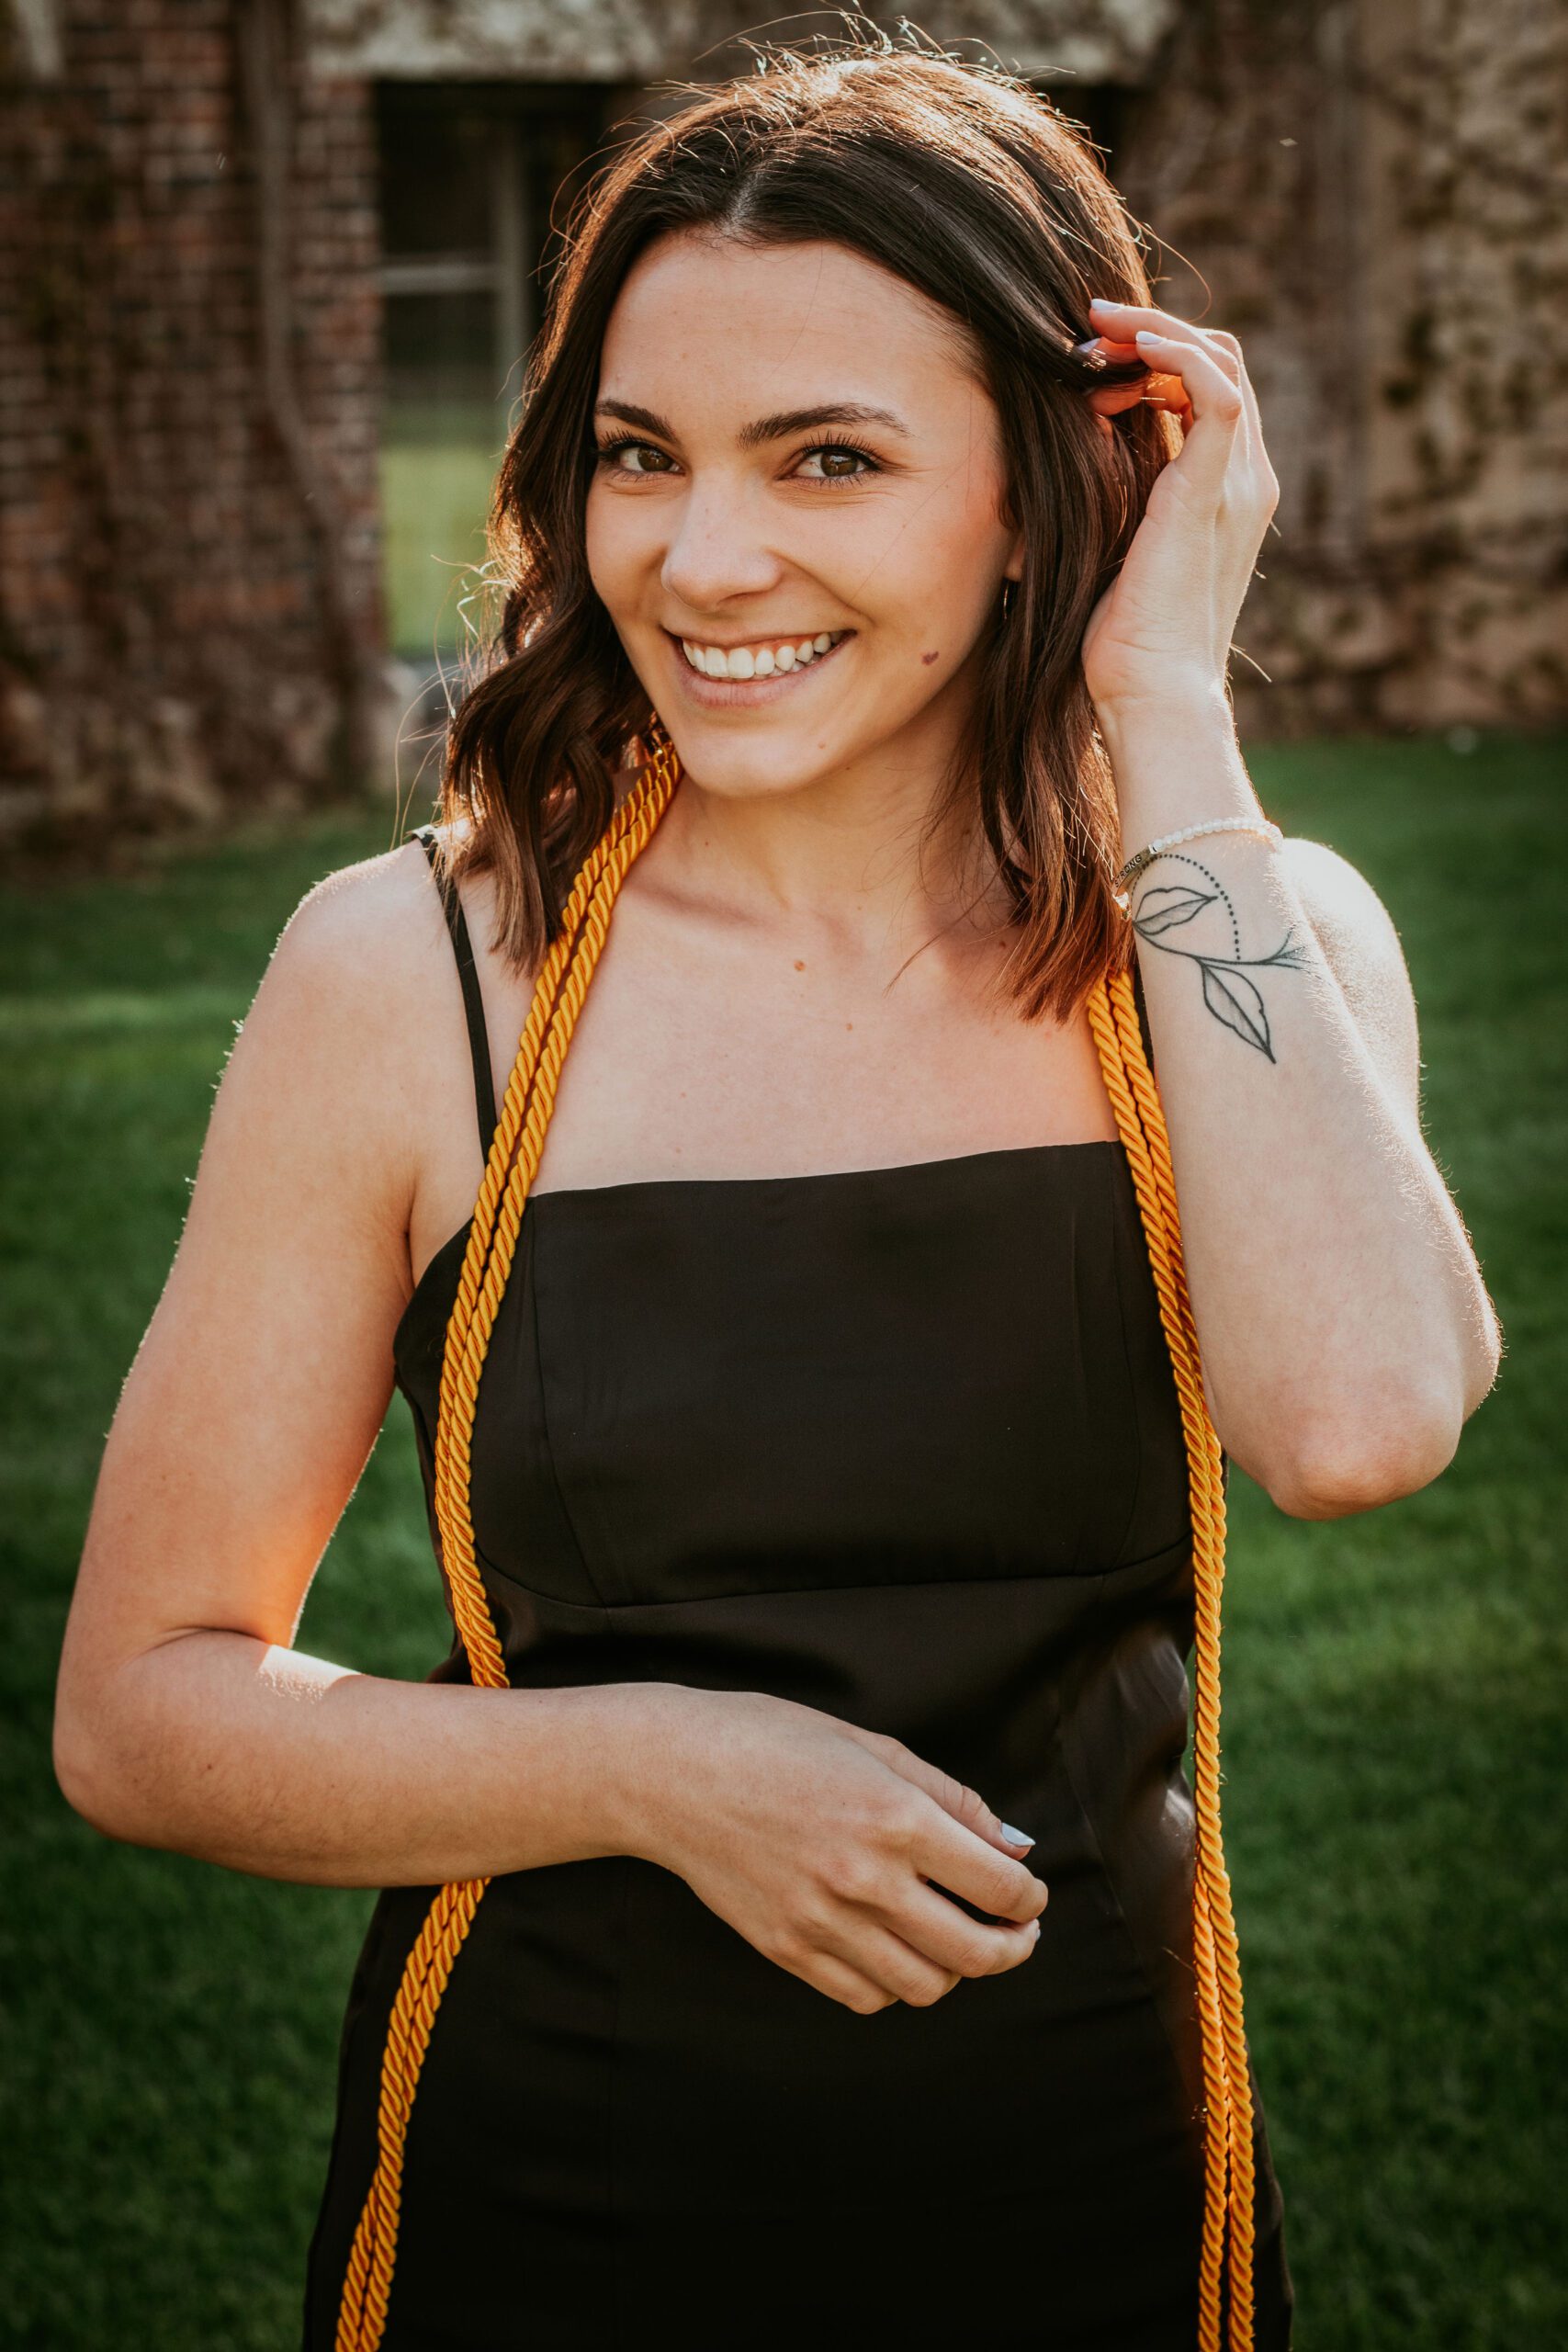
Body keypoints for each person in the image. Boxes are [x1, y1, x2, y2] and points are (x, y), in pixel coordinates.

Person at [52, 38, 1500, 2352]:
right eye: (641, 456)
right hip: (548, 2196)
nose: (701, 559)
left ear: (1042, 492)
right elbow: (140, 1706)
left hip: (1101, 2187)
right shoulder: (420, 969)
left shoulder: (1243, 936)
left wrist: (1171, 715)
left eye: (825, 457)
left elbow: (1357, 1425)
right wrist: (656, 1765)